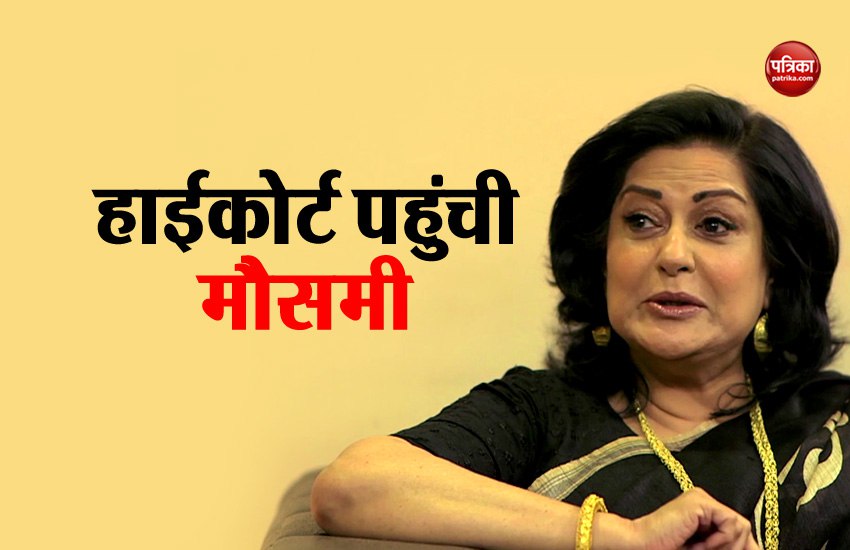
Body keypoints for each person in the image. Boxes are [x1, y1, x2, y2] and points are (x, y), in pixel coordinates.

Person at [310, 90, 850, 549]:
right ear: (601, 257)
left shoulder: (835, 423)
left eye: (714, 225)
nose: (672, 254)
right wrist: (620, 537)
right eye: (642, 220)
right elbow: (352, 487)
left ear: (776, 269)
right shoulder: (540, 413)